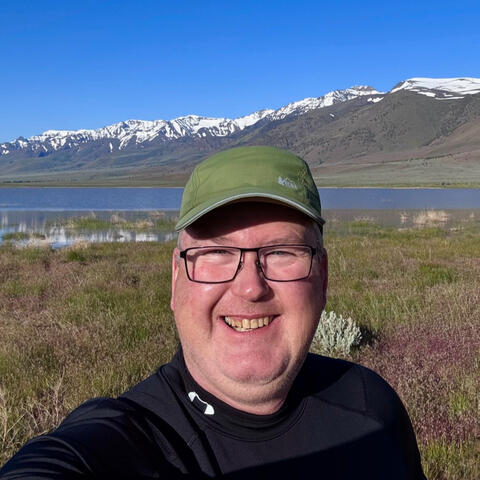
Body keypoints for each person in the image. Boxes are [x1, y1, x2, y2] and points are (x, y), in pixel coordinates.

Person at [0, 146, 426, 479]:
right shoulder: (130, 438)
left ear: (323, 277)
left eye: (282, 252)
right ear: (175, 279)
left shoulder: (373, 406)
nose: (250, 287)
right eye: (216, 253)